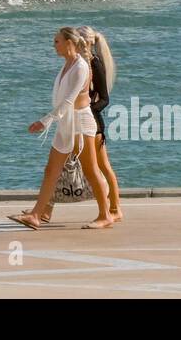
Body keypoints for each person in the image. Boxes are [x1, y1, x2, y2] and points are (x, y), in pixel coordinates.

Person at [9, 28, 112, 231]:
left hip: (81, 123)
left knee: (91, 170)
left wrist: (45, 121)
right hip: (66, 123)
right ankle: (36, 215)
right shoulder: (68, 64)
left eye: (56, 41)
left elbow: (69, 100)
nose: (53, 45)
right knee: (51, 170)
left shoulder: (81, 66)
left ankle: (106, 215)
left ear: (69, 43)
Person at [83, 26, 123, 222]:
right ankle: (44, 210)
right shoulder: (80, 64)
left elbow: (105, 99)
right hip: (82, 122)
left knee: (103, 166)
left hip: (93, 123)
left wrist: (88, 111)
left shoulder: (95, 64)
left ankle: (114, 208)